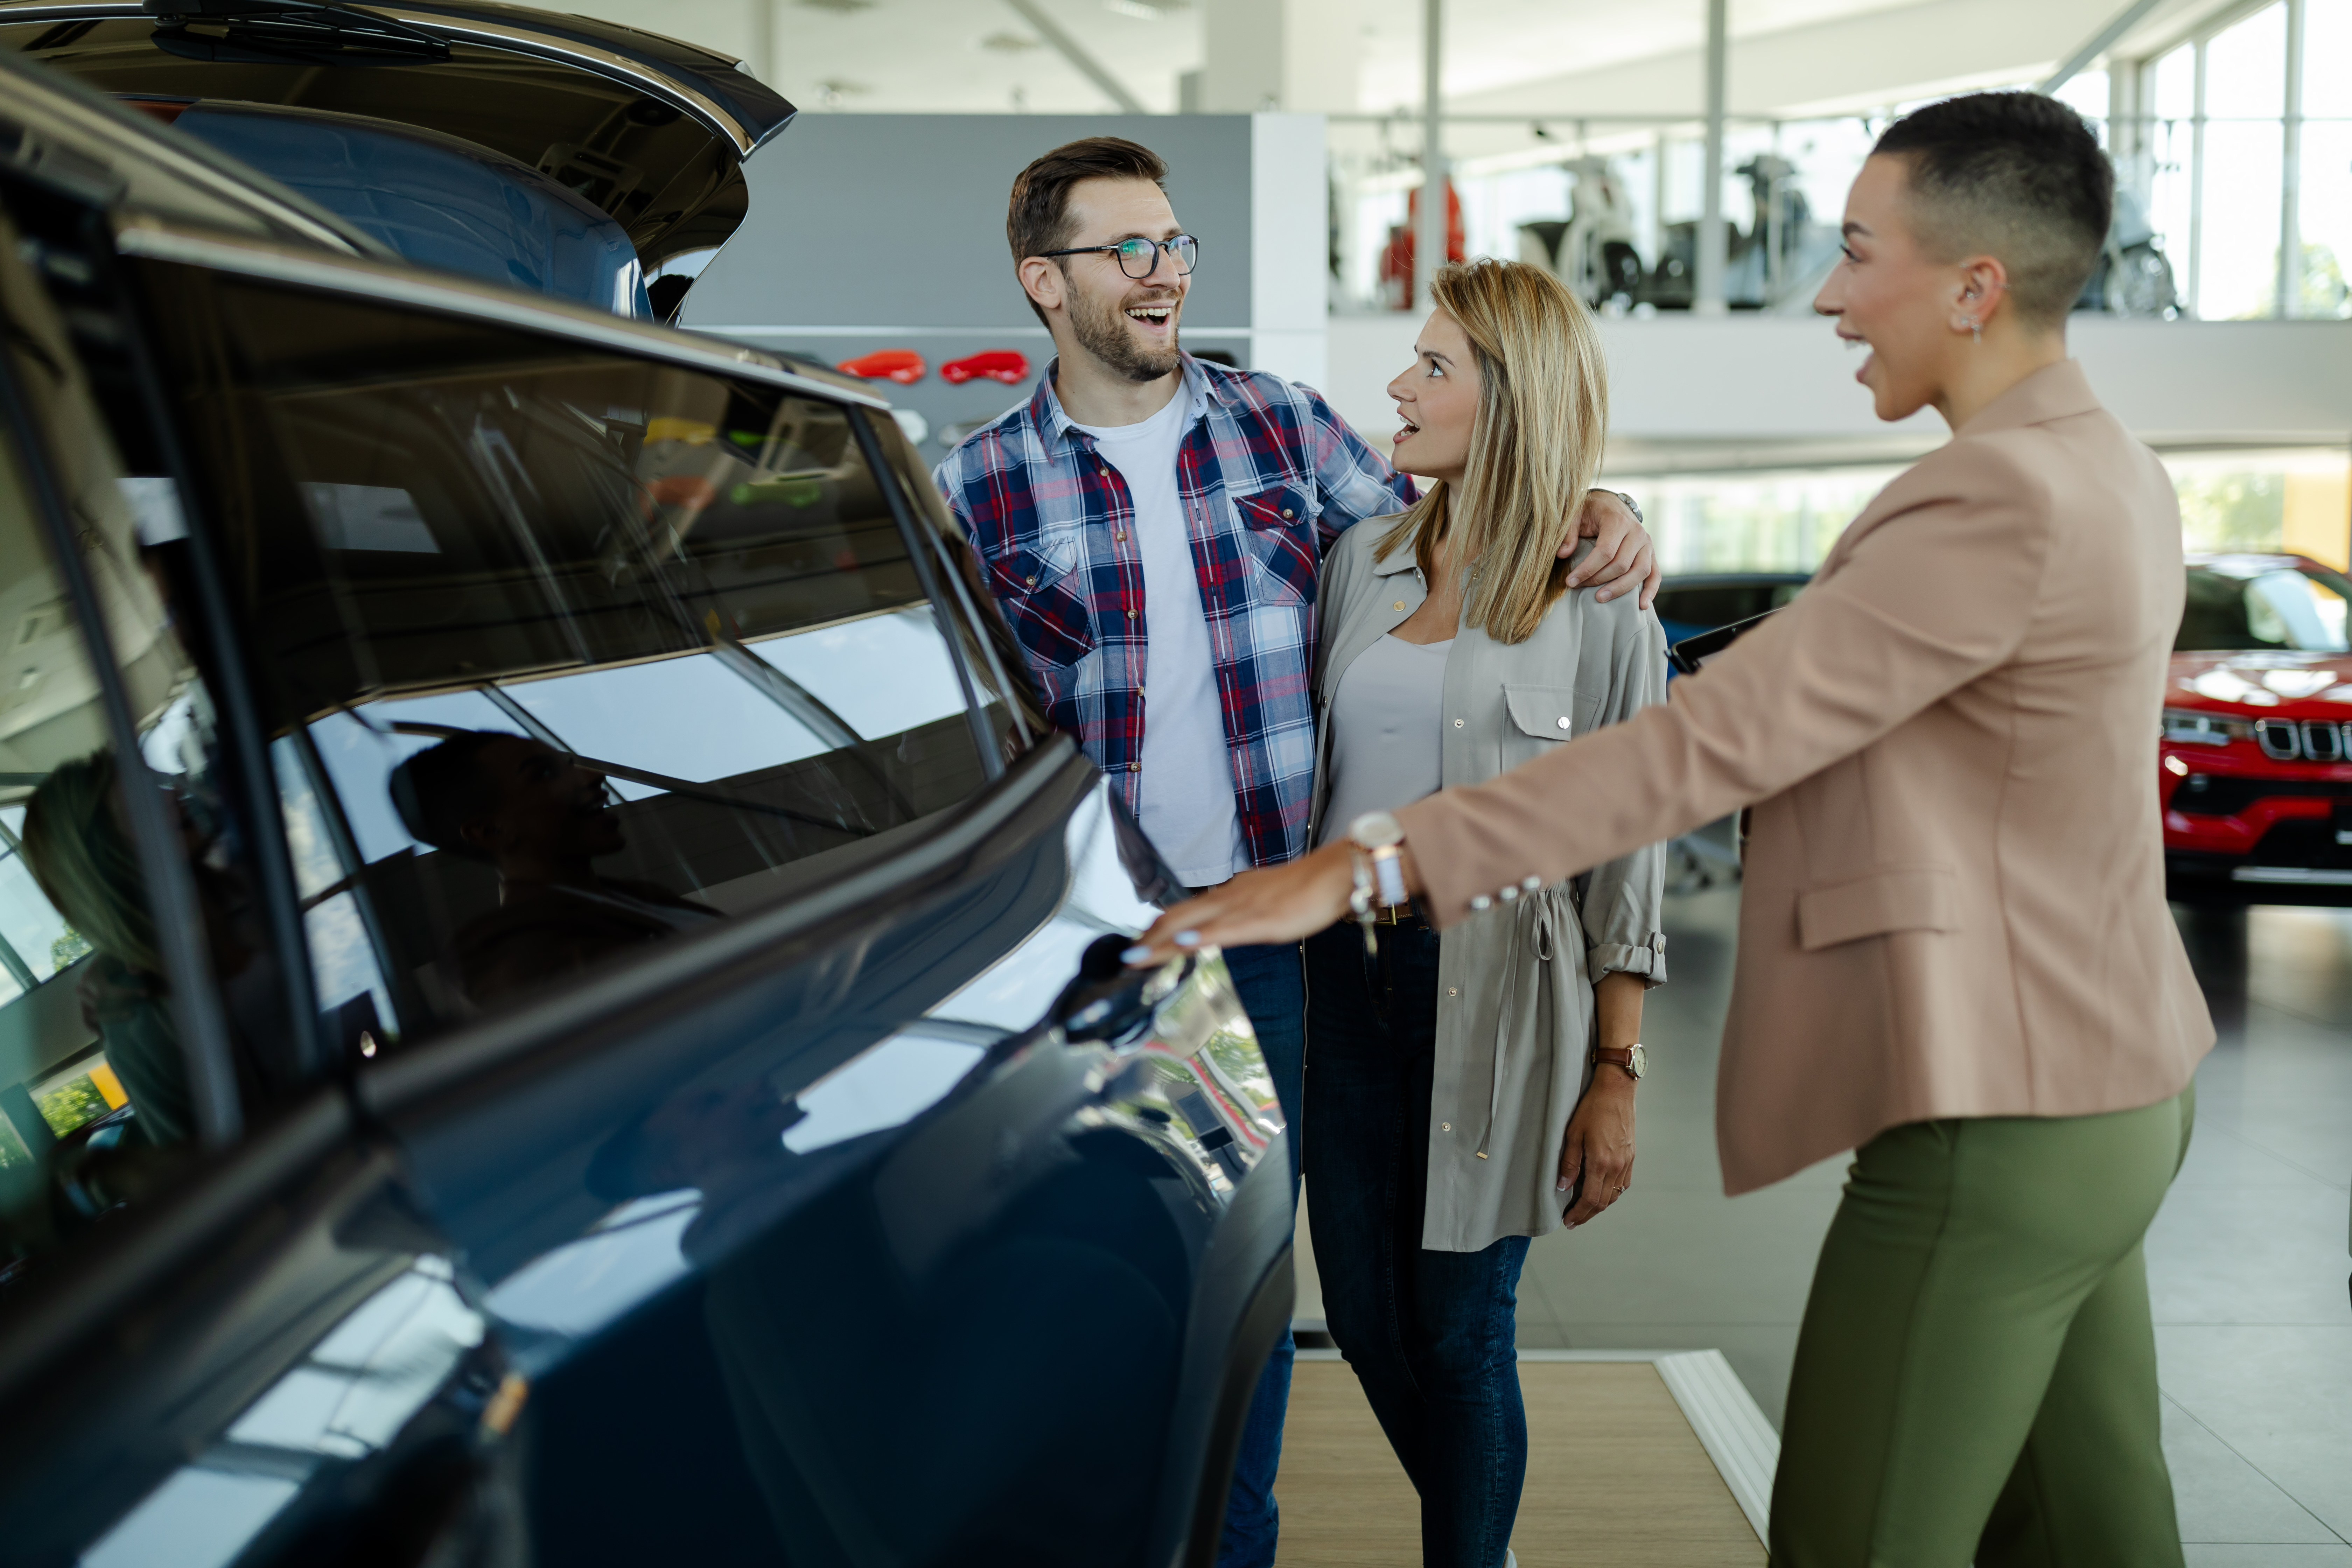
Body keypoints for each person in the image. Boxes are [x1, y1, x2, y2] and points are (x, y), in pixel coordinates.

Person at [1128, 92, 2213, 1567]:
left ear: (1972, 286)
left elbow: (1695, 748)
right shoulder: (2108, 468)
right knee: (2097, 1522)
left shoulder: (1993, 497)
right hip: (2111, 1078)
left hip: (1994, 1097)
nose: (1823, 290)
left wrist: (1360, 864)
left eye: (1853, 253)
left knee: (1851, 1533)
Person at [930, 135, 1663, 1567]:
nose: (1167, 271)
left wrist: (1603, 505)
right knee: (1094, 1308)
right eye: (1128, 249)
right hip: (1092, 967)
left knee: (1260, 1316)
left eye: (1175, 242)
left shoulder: (1283, 432)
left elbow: (1470, 546)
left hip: (1284, 959)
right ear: (1044, 281)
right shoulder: (981, 489)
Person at [1305, 257, 1666, 1568]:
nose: (1397, 385)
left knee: (1461, 1330)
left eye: (1432, 367)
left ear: (1507, 402)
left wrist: (1614, 1074)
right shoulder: (1359, 560)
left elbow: (1626, 855)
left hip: (1509, 998)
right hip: (1338, 989)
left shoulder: (1603, 604)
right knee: (1358, 1312)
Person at [391, 731, 719, 1006]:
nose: (592, 775)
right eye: (545, 774)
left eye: (568, 766)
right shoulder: (494, 949)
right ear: (491, 831)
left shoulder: (642, 896)